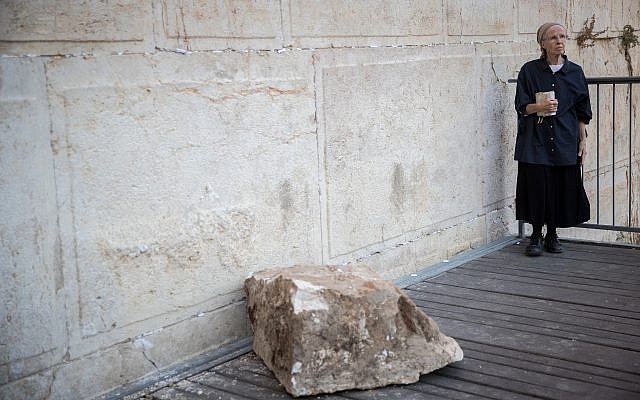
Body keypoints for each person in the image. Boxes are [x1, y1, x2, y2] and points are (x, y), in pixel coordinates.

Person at [514, 22, 592, 257]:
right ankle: (535, 236)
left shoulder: (575, 72)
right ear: (543, 44)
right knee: (537, 187)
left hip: (565, 138)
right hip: (535, 139)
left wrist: (582, 140)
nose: (559, 41)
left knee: (559, 188)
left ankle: (552, 235)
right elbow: (521, 106)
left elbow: (582, 111)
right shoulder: (529, 71)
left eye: (562, 36)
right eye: (553, 37)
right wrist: (539, 106)